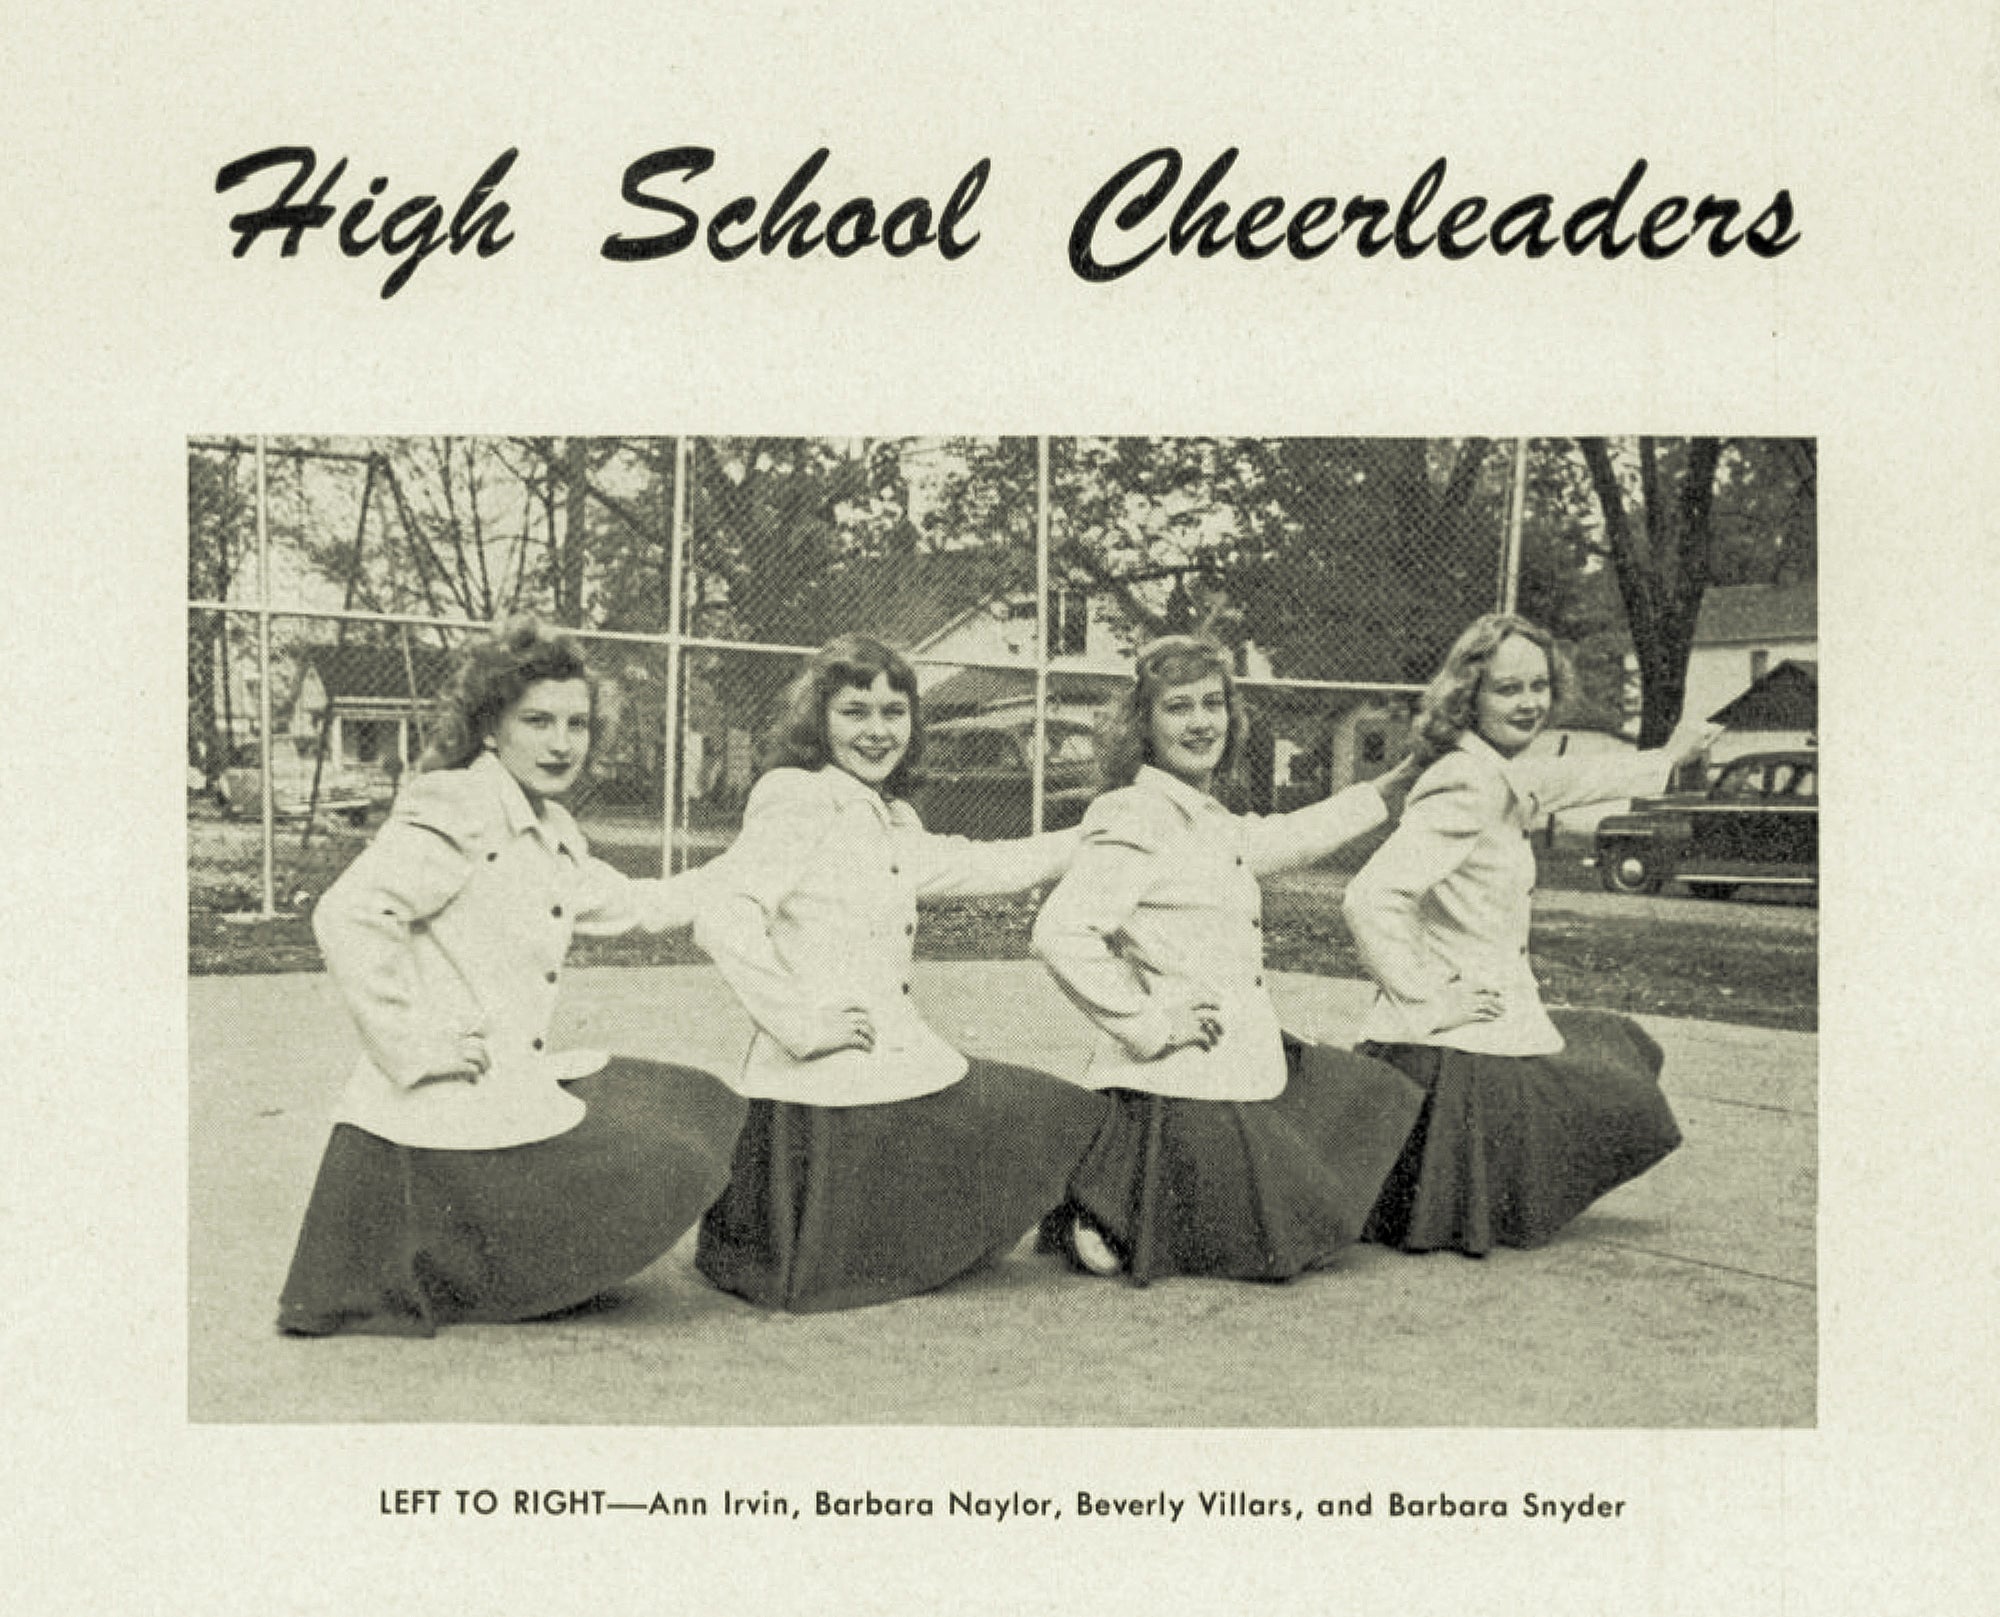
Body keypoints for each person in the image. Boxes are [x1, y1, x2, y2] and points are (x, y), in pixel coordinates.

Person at [276, 617, 747, 1337]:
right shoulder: (458, 806)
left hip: (503, 1086)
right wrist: (416, 1044)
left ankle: (509, 1259)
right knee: (671, 1151)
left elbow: (636, 905)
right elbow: (347, 913)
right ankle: (486, 1268)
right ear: (491, 726)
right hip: (441, 1104)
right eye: (538, 720)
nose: (562, 743)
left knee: (697, 1102)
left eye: (577, 723)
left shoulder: (545, 824)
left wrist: (748, 871)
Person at [692, 635, 1111, 1313]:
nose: (878, 730)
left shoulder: (889, 817)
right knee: (1060, 1113)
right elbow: (721, 913)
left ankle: (1084, 1222)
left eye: (894, 711)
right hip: (823, 1091)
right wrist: (801, 1025)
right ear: (818, 719)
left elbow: (978, 863)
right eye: (856, 711)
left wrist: (1098, 835)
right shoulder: (798, 798)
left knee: (1062, 1110)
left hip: (890, 1068)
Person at [1029, 635, 1427, 1285]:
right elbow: (1061, 931)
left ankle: (1129, 1203)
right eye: (1178, 706)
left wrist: (1387, 789)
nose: (1201, 721)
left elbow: (1284, 838)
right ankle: (1110, 1206)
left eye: (1213, 703)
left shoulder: (1205, 817)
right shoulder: (1138, 814)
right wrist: (1151, 1022)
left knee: (1369, 1098)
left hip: (1233, 1053)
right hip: (1179, 1065)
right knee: (1265, 1231)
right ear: (1144, 726)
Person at [1342, 612, 1710, 1256]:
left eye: (1538, 686)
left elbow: (1564, 781)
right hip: (1461, 1044)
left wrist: (1667, 758)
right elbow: (1371, 897)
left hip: (1485, 1026)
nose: (1529, 702)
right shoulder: (1465, 782)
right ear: (1470, 696)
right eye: (1508, 689)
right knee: (1623, 1088)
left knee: (1623, 1046)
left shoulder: (1496, 772)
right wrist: (1426, 997)